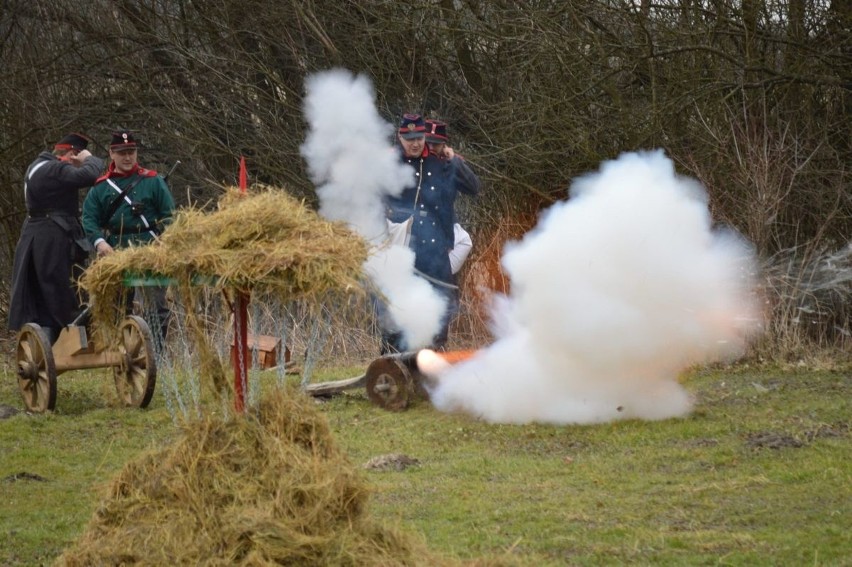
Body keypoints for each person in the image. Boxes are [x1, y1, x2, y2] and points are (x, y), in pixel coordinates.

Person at [382, 113, 480, 353]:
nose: (415, 143)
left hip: (436, 250)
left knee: (441, 306)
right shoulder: (387, 165)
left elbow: (474, 187)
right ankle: (393, 363)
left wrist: (456, 161)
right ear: (400, 137)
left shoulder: (443, 164)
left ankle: (435, 360)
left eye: (419, 138)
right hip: (403, 249)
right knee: (397, 308)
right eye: (409, 138)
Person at [82, 130, 175, 349]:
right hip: (117, 250)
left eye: (131, 151)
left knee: (157, 308)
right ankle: (124, 353)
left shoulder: (153, 181)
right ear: (112, 153)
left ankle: (157, 355)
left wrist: (166, 239)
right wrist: (100, 243)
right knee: (119, 305)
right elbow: (89, 219)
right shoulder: (101, 187)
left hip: (151, 249)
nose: (127, 157)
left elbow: (171, 215)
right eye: (122, 152)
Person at [8, 133, 105, 343]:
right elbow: (90, 176)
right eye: (76, 160)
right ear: (71, 154)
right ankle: (64, 339)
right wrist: (89, 158)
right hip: (52, 238)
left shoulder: (38, 166)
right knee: (59, 289)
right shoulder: (54, 169)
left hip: (42, 234)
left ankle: (56, 338)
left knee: (49, 292)